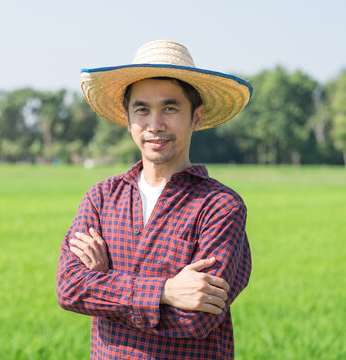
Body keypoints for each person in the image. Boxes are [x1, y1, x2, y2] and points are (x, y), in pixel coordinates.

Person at [56, 40, 252, 360]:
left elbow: (196, 318)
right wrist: (165, 292)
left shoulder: (219, 206)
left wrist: (105, 283)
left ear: (197, 117)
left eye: (170, 108)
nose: (155, 125)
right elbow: (70, 288)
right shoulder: (101, 198)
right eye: (142, 109)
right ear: (128, 117)